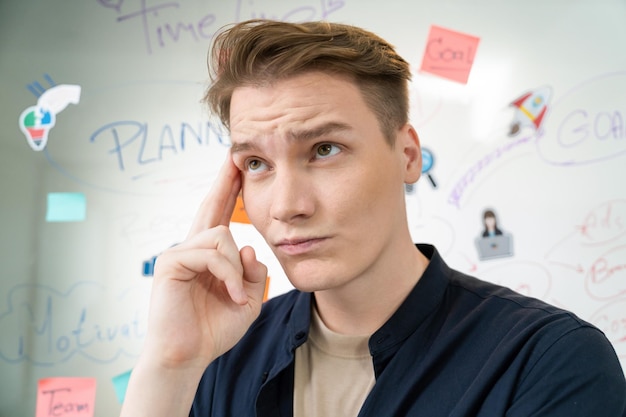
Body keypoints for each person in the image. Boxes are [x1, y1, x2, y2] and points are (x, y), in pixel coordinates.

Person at [120, 19, 626, 417]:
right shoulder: (220, 354)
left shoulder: (548, 361)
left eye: (324, 149)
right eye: (257, 163)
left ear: (407, 155)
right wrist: (169, 365)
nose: (285, 206)